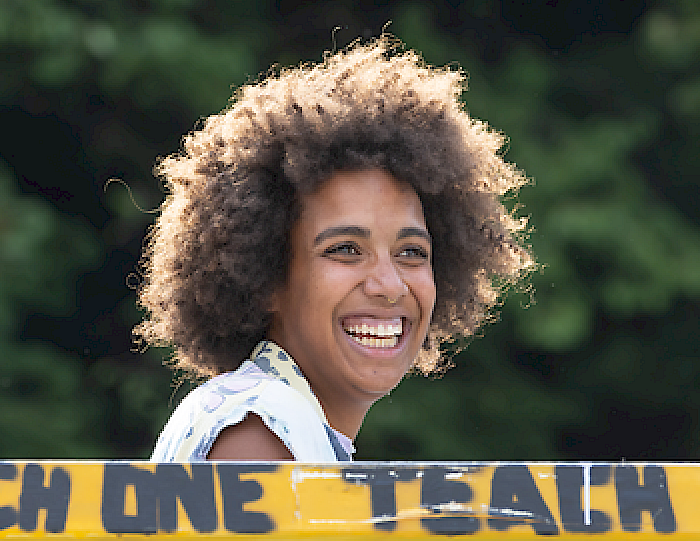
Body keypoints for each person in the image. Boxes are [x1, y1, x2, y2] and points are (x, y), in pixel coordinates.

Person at [137, 37, 533, 462]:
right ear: (265, 276)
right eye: (345, 249)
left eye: (412, 252)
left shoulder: (279, 419)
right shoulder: (259, 432)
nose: (389, 285)